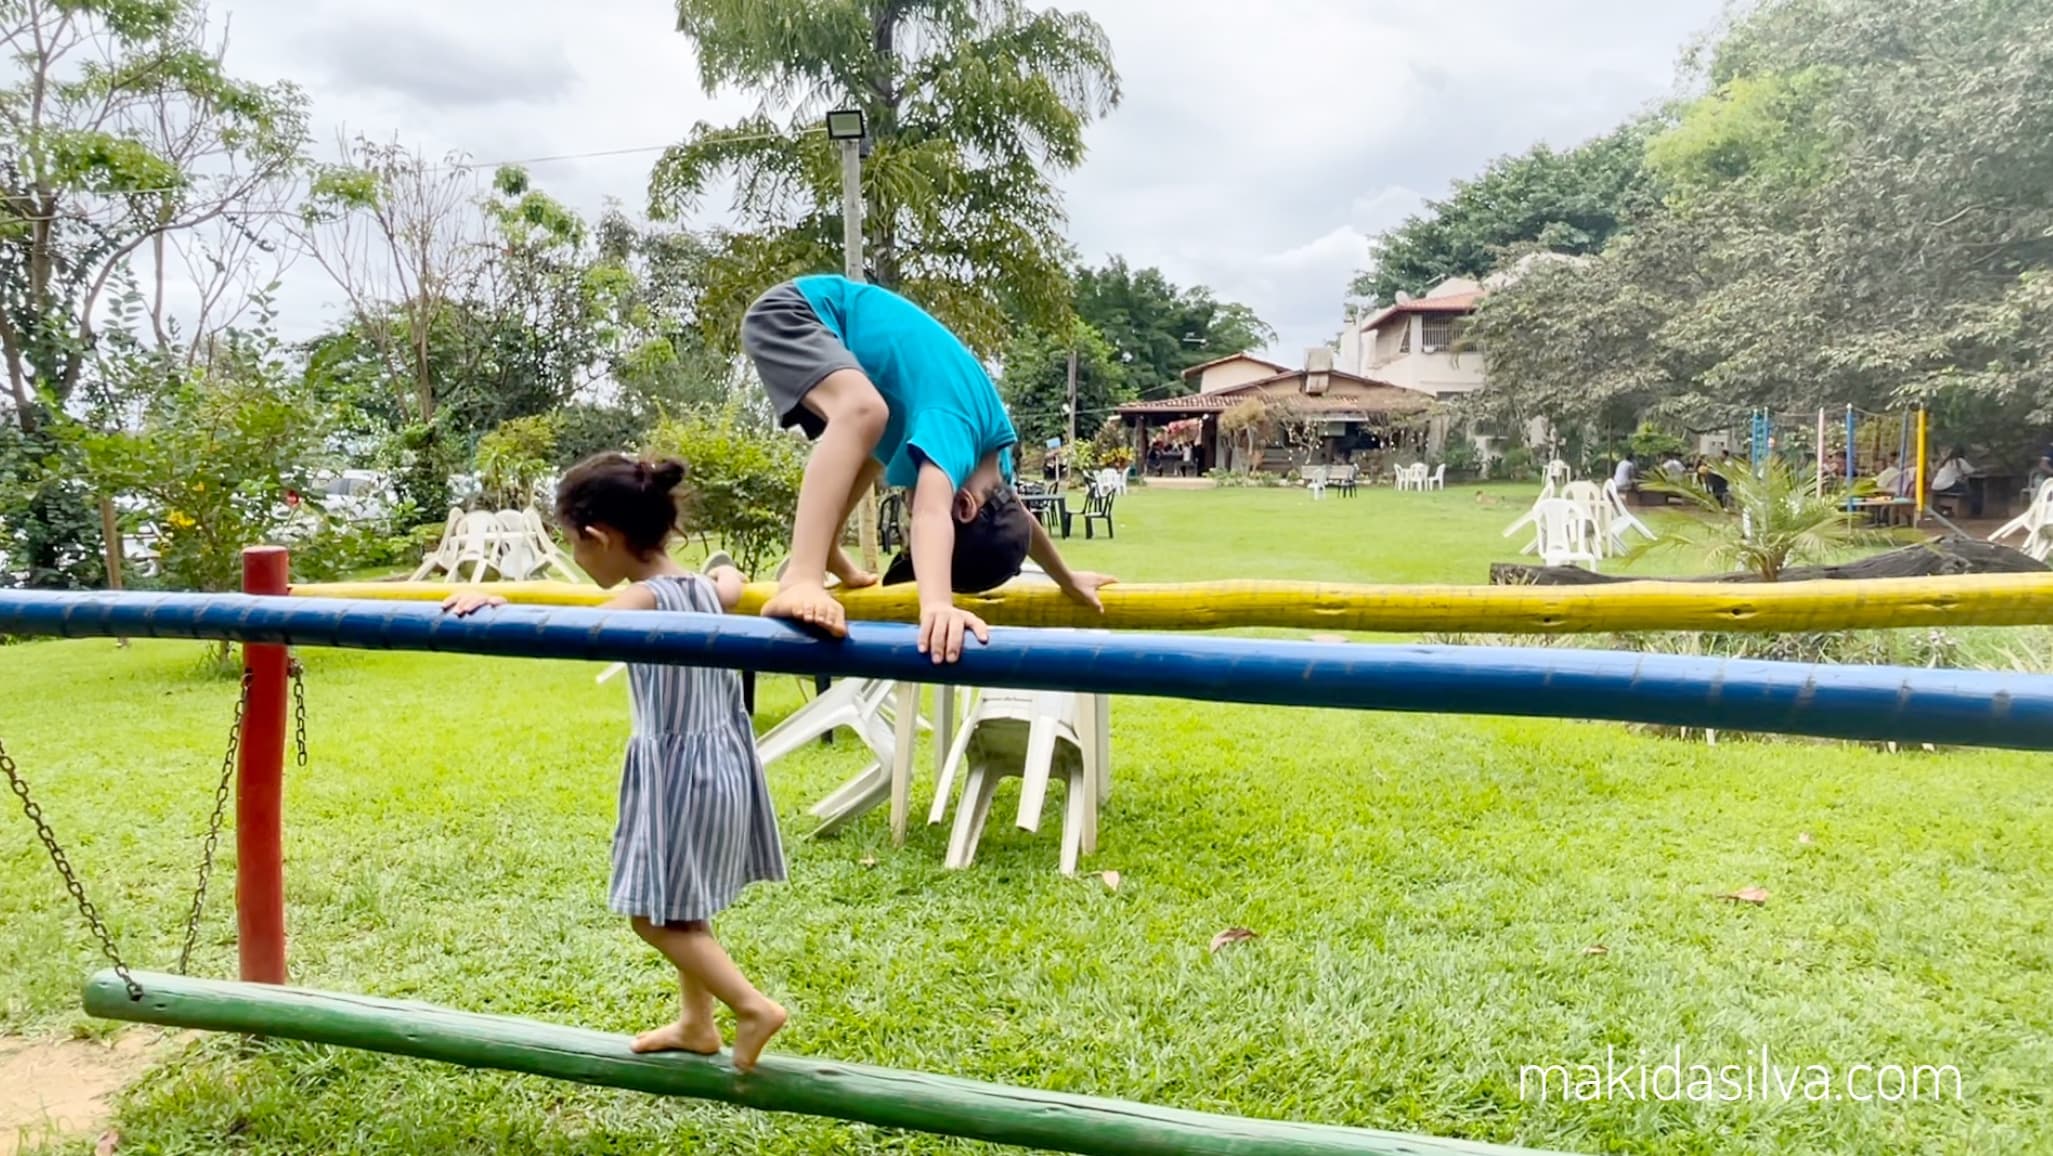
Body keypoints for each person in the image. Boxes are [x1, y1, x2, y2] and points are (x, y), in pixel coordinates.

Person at [444, 455, 790, 1070]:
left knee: (652, 918)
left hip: (680, 774)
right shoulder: (707, 591)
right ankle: (696, 1023)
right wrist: (728, 566)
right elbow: (730, 580)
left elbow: (566, 629)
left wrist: (495, 603)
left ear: (598, 537)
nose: (578, 560)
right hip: (725, 764)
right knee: (682, 903)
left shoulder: (641, 600)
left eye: (575, 545)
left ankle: (751, 1006)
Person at [740, 275, 1113, 662]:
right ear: (964, 506)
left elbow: (1017, 520)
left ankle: (826, 547)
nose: (908, 504)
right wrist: (936, 604)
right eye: (907, 522)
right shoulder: (952, 428)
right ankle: (802, 576)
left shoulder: (992, 457)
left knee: (873, 445)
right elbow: (933, 513)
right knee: (863, 412)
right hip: (800, 312)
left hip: (830, 328)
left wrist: (1066, 579)